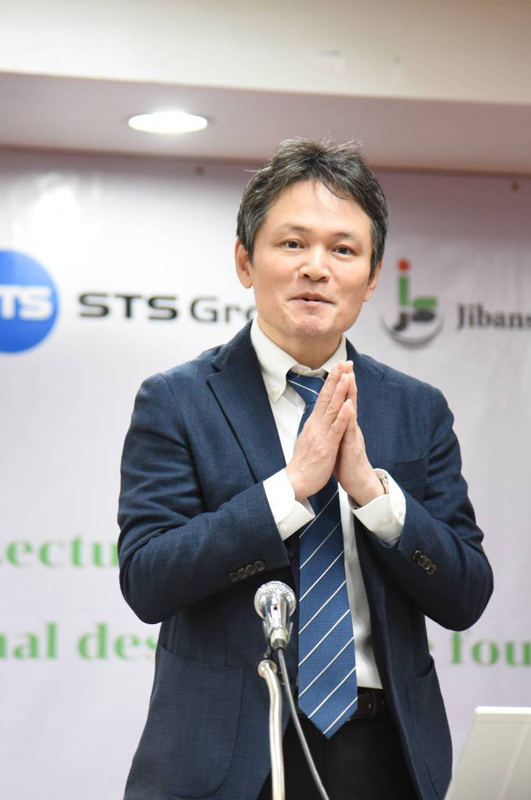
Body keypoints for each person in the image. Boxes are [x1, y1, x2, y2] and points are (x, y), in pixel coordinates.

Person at [117, 138, 492, 800]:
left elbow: (466, 594)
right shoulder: (177, 400)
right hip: (228, 759)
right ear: (245, 260)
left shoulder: (416, 410)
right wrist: (289, 490)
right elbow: (148, 579)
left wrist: (374, 496)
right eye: (292, 244)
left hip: (385, 754)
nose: (316, 268)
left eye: (343, 250)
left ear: (371, 277)